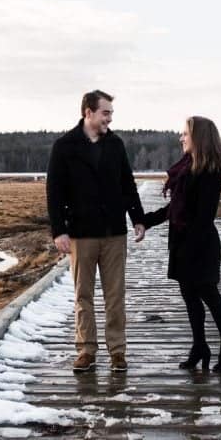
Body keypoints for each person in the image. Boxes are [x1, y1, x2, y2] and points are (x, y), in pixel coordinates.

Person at [46, 90, 146, 373]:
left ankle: (117, 351)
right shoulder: (64, 146)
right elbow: (54, 192)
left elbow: (127, 184)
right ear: (88, 112)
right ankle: (86, 350)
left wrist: (137, 218)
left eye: (111, 114)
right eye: (106, 113)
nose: (110, 119)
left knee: (115, 295)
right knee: (83, 294)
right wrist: (59, 231)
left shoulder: (115, 144)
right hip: (81, 233)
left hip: (115, 232)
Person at [143, 116, 221, 372]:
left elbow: (203, 217)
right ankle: (199, 347)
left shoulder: (210, 172)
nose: (181, 138)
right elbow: (174, 208)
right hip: (181, 243)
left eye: (185, 134)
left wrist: (189, 249)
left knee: (209, 295)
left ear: (198, 137)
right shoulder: (185, 168)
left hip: (200, 245)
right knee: (189, 297)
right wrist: (145, 221)